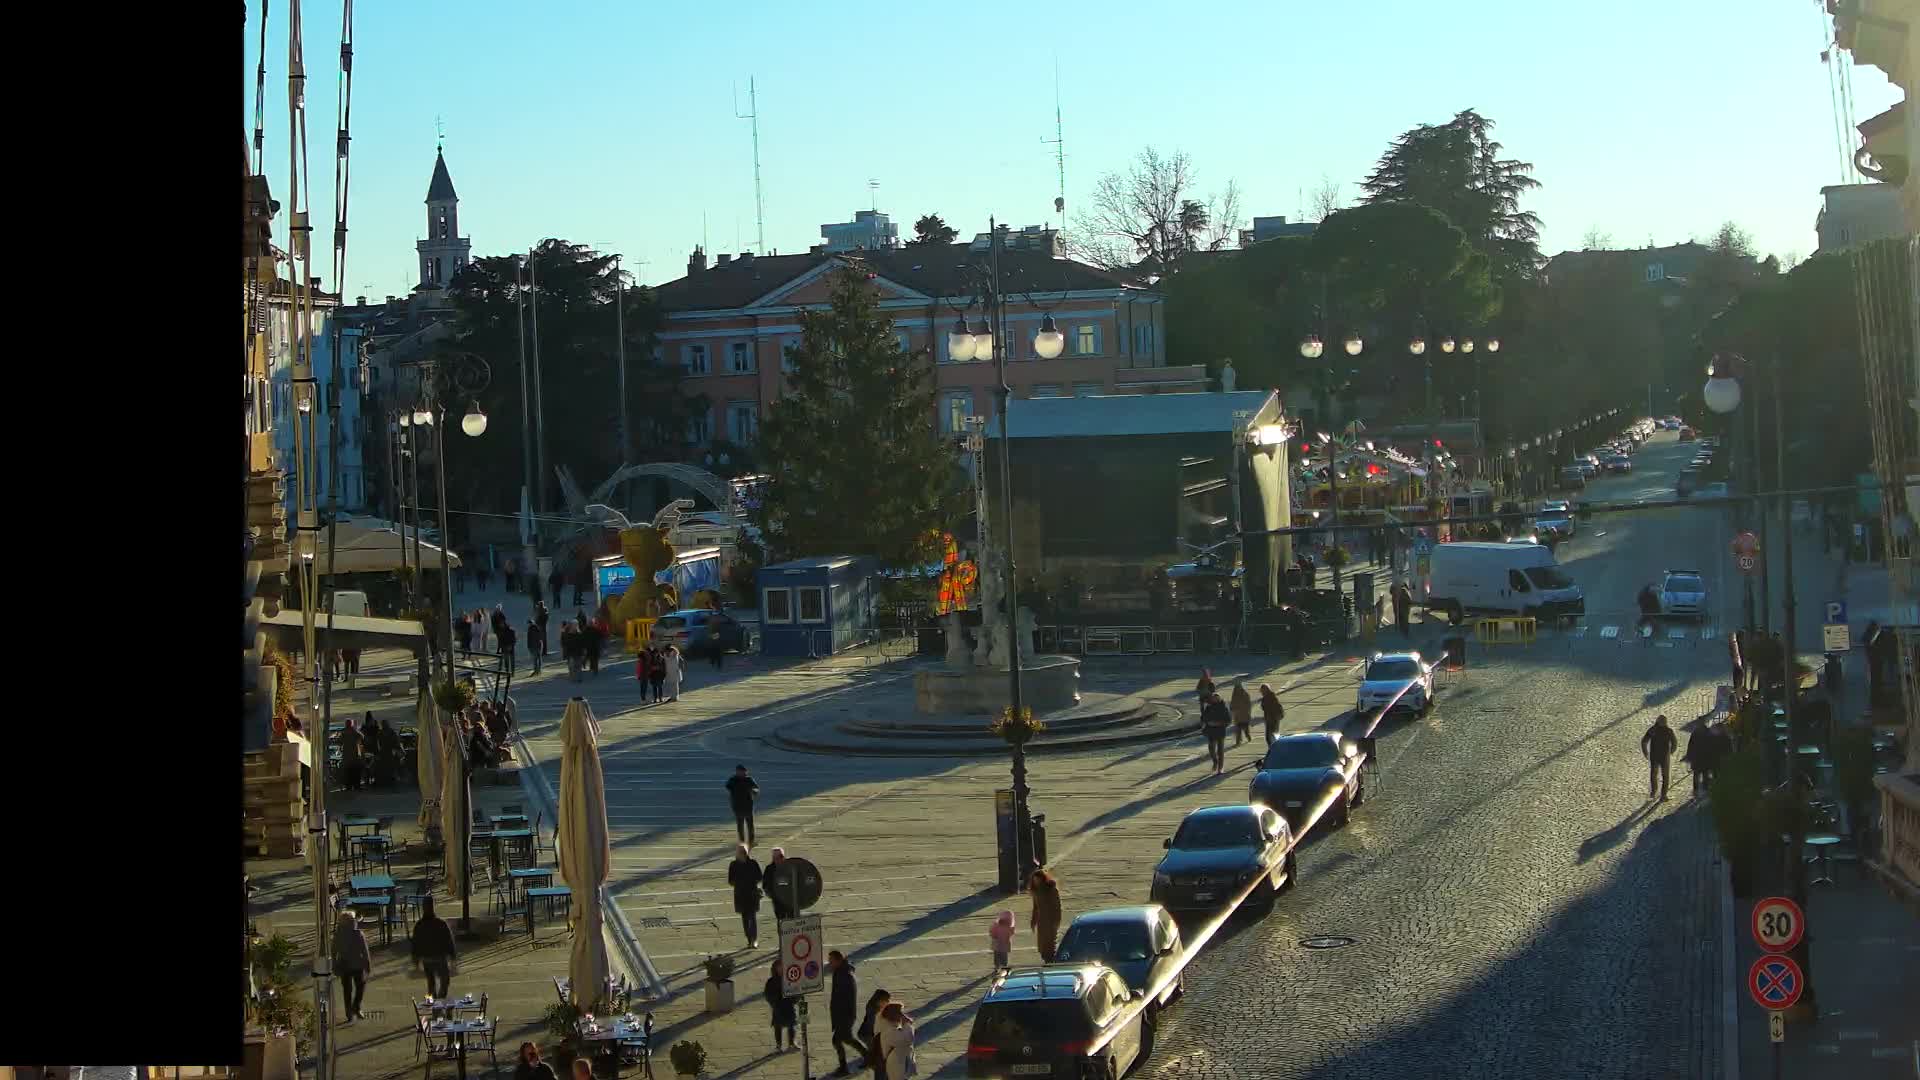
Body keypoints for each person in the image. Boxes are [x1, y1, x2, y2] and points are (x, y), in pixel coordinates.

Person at [410, 894, 457, 998]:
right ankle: (439, 1001)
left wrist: (416, 961)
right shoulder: (440, 923)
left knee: (431, 985)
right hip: (440, 958)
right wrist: (453, 957)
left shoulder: (419, 925)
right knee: (444, 982)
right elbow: (449, 941)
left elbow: (415, 945)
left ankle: (435, 1004)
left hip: (427, 959)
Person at [828, 950, 864, 1077]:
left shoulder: (845, 975)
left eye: (831, 960)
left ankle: (844, 1068)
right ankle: (868, 1056)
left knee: (837, 1040)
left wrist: (842, 1016)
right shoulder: (840, 972)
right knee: (848, 1039)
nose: (829, 963)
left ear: (838, 960)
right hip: (842, 1014)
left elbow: (846, 998)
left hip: (845, 1015)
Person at [332, 910, 371, 1021]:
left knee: (347, 990)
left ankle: (349, 1011)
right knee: (360, 986)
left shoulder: (338, 934)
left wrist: (334, 965)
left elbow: (333, 951)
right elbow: (365, 951)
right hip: (357, 964)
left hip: (344, 964)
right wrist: (367, 964)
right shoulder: (358, 933)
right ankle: (356, 1007)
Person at [728, 843, 764, 947]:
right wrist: (739, 881)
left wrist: (749, 880)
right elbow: (730, 880)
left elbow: (759, 877)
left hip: (752, 894)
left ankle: (754, 939)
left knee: (752, 917)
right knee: (745, 918)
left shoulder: (753, 863)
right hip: (740, 895)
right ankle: (749, 939)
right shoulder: (733, 865)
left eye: (740, 852)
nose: (738, 854)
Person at [1641, 714, 1678, 800]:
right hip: (1664, 756)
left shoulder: (1653, 730)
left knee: (1654, 774)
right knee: (1664, 776)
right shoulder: (1668, 731)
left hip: (1656, 755)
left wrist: (1646, 753)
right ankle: (1662, 794)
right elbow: (1674, 743)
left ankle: (1655, 792)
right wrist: (1671, 752)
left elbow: (1644, 741)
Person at [1028, 869, 1062, 963]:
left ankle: (1050, 962)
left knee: (1050, 942)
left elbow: (1057, 906)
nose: (1036, 882)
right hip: (1041, 921)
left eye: (1038, 880)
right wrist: (1033, 921)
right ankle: (1046, 959)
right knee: (1042, 944)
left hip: (1051, 919)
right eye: (1035, 880)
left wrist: (1057, 920)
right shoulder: (1036, 891)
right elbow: (1035, 907)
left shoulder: (1051, 889)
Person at [858, 990, 893, 1080]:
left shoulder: (874, 1006)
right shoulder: (874, 1012)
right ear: (880, 1000)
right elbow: (875, 1027)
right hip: (868, 1035)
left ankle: (869, 1062)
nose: (888, 1002)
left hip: (865, 1034)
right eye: (887, 1000)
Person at [877, 1001, 915, 1080]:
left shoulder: (892, 1027)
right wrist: (907, 1025)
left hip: (899, 1063)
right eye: (900, 1013)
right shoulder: (890, 1030)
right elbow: (907, 1040)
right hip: (897, 1065)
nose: (903, 1015)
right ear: (894, 1015)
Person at [765, 959, 798, 1051]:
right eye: (778, 967)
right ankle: (778, 1045)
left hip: (788, 1005)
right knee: (777, 1026)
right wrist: (774, 1003)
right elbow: (768, 994)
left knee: (792, 1024)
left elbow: (796, 991)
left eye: (782, 967)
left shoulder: (789, 979)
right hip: (778, 1006)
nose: (780, 969)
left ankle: (792, 1043)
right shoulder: (771, 981)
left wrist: (794, 999)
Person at [1200, 693, 1231, 774]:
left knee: (1220, 750)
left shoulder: (1224, 708)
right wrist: (1206, 722)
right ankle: (1215, 762)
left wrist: (1218, 723)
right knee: (1211, 749)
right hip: (1211, 731)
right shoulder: (1209, 707)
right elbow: (1203, 718)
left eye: (1217, 698)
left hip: (1220, 731)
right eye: (1214, 698)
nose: (1215, 700)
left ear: (1220, 699)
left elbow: (1228, 721)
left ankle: (1220, 767)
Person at [764, 847, 795, 919]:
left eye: (780, 857)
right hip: (778, 901)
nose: (778, 859)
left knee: (793, 921)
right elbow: (766, 885)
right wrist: (773, 894)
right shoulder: (769, 869)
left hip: (790, 899)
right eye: (776, 857)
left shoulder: (790, 866)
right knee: (781, 921)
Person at [339, 718, 365, 791]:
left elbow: (340, 741)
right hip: (354, 754)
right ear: (351, 724)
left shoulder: (343, 731)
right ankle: (356, 785)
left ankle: (348, 786)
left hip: (346, 754)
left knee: (347, 771)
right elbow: (362, 737)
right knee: (355, 770)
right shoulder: (354, 731)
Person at [1229, 679, 1253, 746]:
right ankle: (1238, 742)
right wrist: (1232, 709)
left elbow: (1248, 705)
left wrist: (1248, 712)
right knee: (1238, 730)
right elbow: (1232, 703)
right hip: (1238, 715)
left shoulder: (1245, 694)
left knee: (1245, 730)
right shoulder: (1234, 694)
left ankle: (1248, 737)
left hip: (1244, 715)